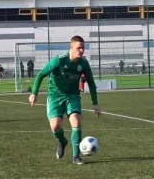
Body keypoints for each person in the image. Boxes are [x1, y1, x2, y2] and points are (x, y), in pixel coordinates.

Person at [29, 35, 101, 165]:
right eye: (79, 48)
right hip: (55, 96)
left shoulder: (83, 63)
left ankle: (76, 156)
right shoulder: (59, 60)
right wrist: (34, 93)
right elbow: (41, 74)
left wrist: (95, 103)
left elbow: (90, 82)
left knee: (76, 120)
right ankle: (62, 142)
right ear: (71, 48)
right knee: (55, 125)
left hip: (72, 95)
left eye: (83, 48)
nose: (81, 51)